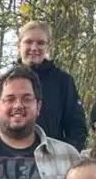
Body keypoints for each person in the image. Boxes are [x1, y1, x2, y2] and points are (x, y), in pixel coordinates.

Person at [18, 20, 88, 150]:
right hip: (11, 156)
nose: (34, 48)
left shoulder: (63, 81)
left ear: (48, 46)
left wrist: (67, 157)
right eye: (28, 42)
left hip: (52, 158)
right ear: (19, 45)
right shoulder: (6, 80)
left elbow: (76, 127)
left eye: (40, 43)